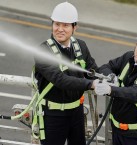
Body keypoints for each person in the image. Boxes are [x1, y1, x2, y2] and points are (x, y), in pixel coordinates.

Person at [33, 2, 98, 145]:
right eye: (57, 24)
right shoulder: (43, 51)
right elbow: (60, 80)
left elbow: (92, 70)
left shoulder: (80, 46)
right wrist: (91, 84)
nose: (60, 29)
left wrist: (106, 77)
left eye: (66, 25)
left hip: (76, 112)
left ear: (75, 27)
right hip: (53, 115)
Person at [94, 27, 137, 145]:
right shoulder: (128, 58)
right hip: (117, 131)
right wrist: (110, 76)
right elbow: (105, 67)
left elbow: (136, 93)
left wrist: (111, 89)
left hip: (136, 136)